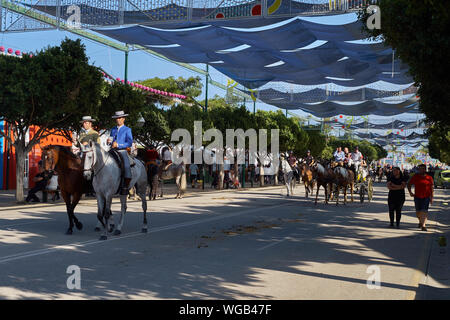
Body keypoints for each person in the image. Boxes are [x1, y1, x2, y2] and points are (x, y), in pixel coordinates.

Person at [108, 110, 133, 195]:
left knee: (126, 166)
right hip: (112, 150)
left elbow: (129, 143)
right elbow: (111, 141)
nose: (118, 120)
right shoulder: (113, 129)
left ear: (123, 119)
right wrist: (109, 142)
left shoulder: (127, 129)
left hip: (122, 151)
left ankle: (126, 186)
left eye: (120, 118)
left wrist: (118, 144)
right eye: (117, 118)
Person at [407, 164, 434, 231]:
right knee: (418, 212)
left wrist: (432, 197)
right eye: (420, 169)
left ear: (425, 169)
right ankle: (420, 221)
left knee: (424, 211)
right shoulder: (415, 176)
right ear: (418, 169)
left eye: (423, 168)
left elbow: (431, 188)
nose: (421, 170)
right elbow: (409, 184)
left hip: (426, 197)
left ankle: (423, 225)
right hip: (417, 197)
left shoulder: (429, 177)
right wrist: (410, 192)